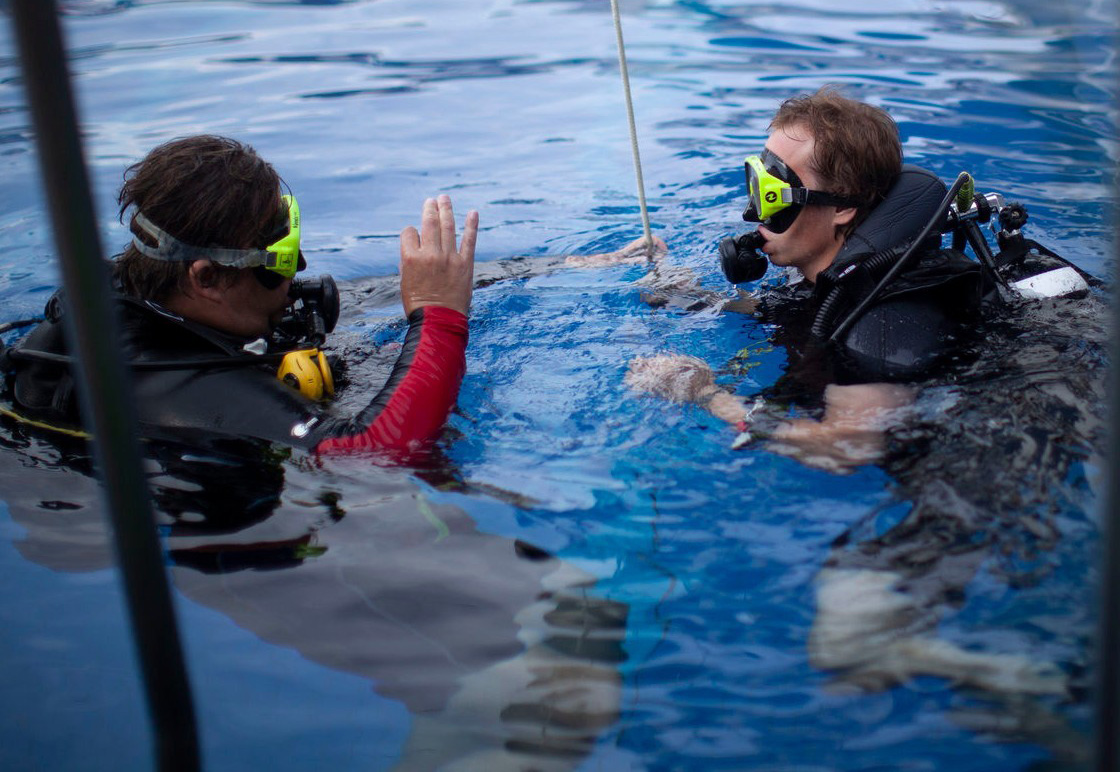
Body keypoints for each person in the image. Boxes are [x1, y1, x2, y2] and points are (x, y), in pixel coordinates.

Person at [2, 135, 477, 458]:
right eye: (281, 261)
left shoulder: (124, 293)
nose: (301, 270)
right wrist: (438, 317)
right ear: (206, 278)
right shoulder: (172, 380)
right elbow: (373, 451)